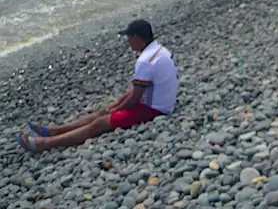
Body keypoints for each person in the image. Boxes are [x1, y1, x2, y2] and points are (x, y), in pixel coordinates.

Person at [18, 19, 178, 153]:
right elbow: (141, 89)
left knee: (100, 123)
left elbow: (136, 98)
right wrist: (115, 106)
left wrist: (116, 110)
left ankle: (44, 144)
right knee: (105, 110)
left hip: (155, 108)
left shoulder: (145, 61)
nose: (128, 41)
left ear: (136, 37)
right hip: (160, 98)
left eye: (128, 37)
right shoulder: (159, 50)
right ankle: (55, 130)